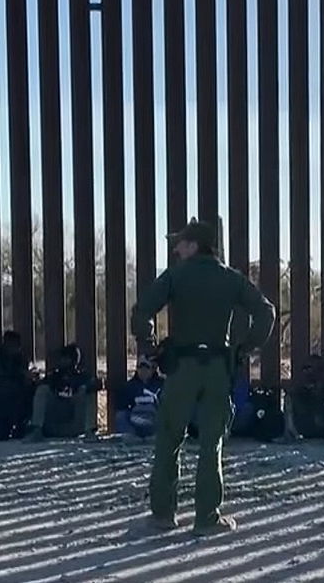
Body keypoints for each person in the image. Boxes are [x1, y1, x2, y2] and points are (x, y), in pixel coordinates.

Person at [130, 219, 276, 536]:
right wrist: (246, 348)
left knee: (169, 437)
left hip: (181, 367)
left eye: (180, 243)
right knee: (213, 443)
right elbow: (266, 312)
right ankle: (207, 518)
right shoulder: (231, 279)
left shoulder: (176, 275)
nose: (175, 248)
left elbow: (142, 310)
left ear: (195, 245)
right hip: (217, 369)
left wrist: (150, 343)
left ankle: (163, 515)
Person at [26, 344, 100, 441]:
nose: (62, 361)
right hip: (52, 426)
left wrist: (84, 387)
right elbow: (39, 389)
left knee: (89, 393)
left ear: (74, 361)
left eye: (66, 358)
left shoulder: (83, 377)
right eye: (62, 358)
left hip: (75, 426)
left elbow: (96, 385)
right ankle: (36, 430)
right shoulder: (54, 377)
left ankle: (90, 432)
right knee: (42, 390)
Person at [283, 354, 324, 442]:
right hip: (305, 423)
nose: (308, 371)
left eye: (311, 368)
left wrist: (323, 386)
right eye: (306, 368)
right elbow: (292, 391)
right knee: (288, 398)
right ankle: (292, 434)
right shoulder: (301, 384)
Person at [116, 359, 166, 439]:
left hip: (155, 422)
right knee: (121, 415)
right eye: (140, 367)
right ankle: (129, 438)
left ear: (153, 369)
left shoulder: (162, 384)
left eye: (147, 367)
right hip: (134, 423)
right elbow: (121, 407)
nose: (143, 371)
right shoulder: (129, 386)